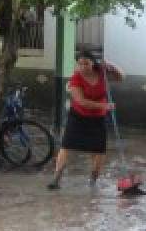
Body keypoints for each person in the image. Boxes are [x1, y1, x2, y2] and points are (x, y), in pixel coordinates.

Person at [47, 51, 126, 190]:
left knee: (99, 150)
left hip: (98, 118)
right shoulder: (76, 78)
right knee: (66, 146)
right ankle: (56, 178)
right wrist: (104, 106)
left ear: (93, 63)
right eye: (80, 63)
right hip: (78, 115)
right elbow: (81, 101)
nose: (83, 66)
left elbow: (121, 77)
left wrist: (111, 66)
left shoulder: (102, 72)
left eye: (86, 63)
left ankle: (93, 181)